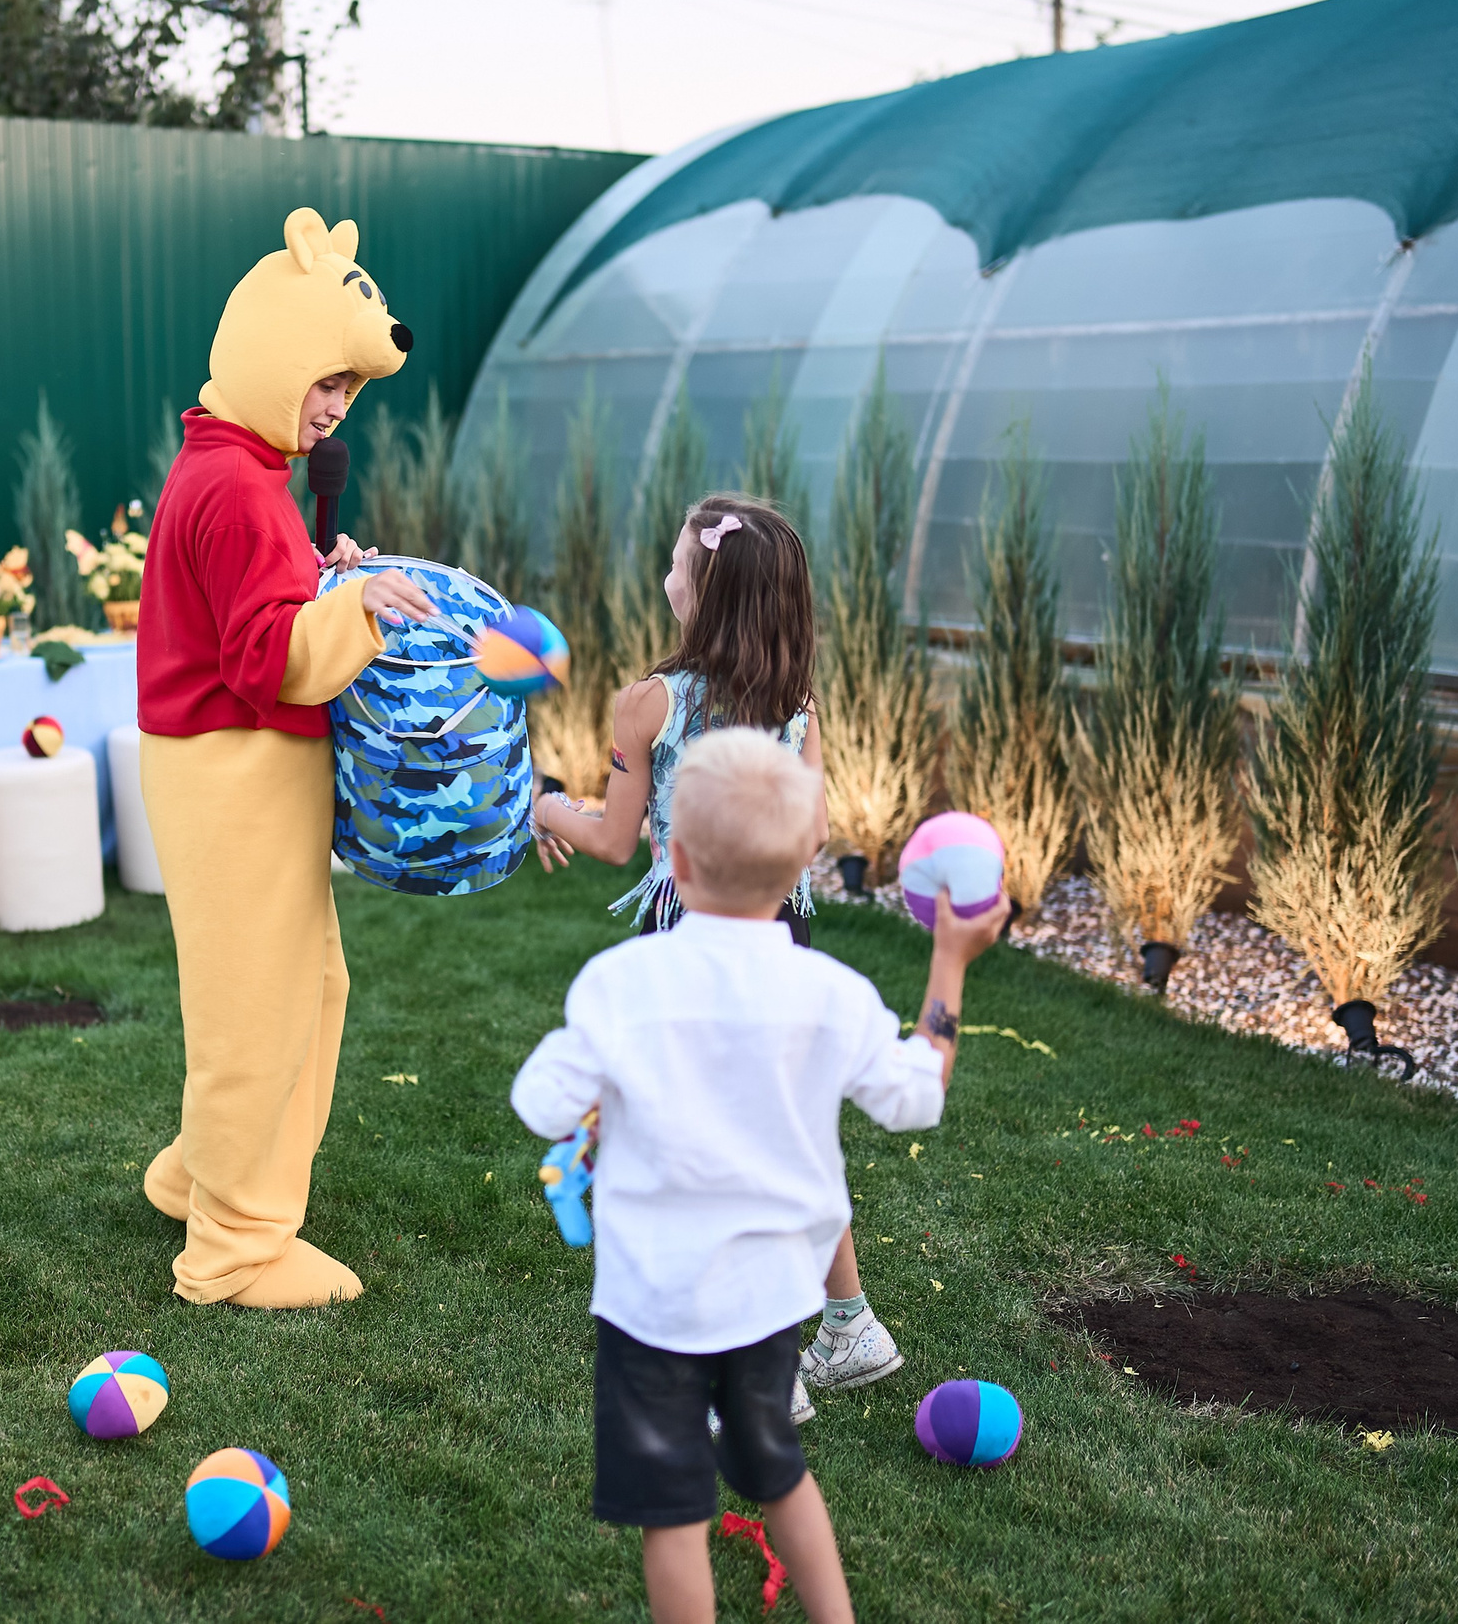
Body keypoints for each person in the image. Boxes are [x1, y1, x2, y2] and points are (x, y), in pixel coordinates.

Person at [513, 728, 1009, 1624]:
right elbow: (915, 1097)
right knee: (778, 1471)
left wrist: (590, 1098)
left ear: (673, 856)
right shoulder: (833, 994)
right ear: (804, 864)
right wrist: (949, 960)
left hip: (651, 1304)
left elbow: (540, 1101)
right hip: (776, 1300)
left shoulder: (618, 984)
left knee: (672, 1515)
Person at [133, 206, 439, 1309]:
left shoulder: (239, 464)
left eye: (346, 394)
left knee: (301, 984)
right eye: (323, 384)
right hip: (231, 768)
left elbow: (257, 601)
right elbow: (265, 658)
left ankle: (200, 1173)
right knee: (257, 1008)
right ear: (270, 360)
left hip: (234, 768)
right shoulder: (235, 486)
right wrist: (350, 606)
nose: (332, 409)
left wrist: (322, 570)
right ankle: (233, 1246)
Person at [530, 494, 895, 1410]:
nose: (667, 575)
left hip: (688, 939)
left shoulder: (647, 704)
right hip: (783, 933)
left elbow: (614, 841)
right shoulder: (797, 707)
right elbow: (807, 833)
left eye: (678, 565)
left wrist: (542, 807)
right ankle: (849, 1324)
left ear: (708, 593)